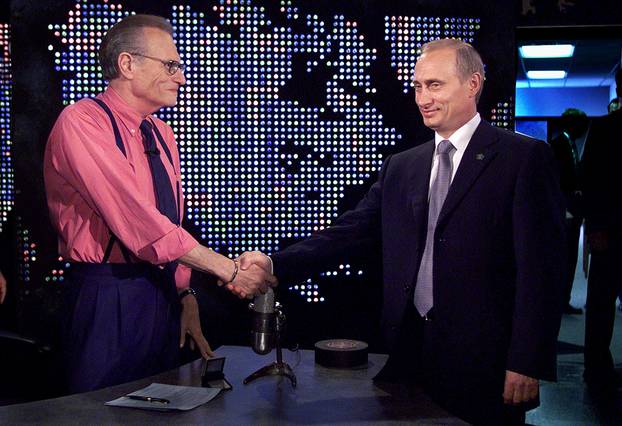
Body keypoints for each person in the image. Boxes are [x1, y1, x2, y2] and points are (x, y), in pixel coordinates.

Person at [237, 39, 566, 425]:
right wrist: (275, 263)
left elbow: (542, 272)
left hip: (486, 362)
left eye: (435, 85)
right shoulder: (402, 166)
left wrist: (526, 360)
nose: (423, 98)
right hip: (409, 356)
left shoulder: (522, 158)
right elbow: (349, 232)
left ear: (473, 84)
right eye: (417, 87)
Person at [44, 14, 276, 393]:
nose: (181, 78)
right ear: (127, 64)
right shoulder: (81, 121)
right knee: (100, 410)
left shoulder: (161, 132)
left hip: (161, 291)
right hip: (109, 294)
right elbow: (136, 221)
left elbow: (170, 218)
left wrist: (184, 293)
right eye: (170, 65)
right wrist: (227, 269)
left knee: (160, 405)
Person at [582, 67, 622, 392]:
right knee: (601, 301)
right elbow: (592, 180)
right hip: (610, 228)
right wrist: (596, 226)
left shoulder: (605, 128)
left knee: (601, 301)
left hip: (609, 228)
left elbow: (590, 179)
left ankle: (596, 366)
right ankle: (596, 366)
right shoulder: (606, 129)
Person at [549, 108, 589, 314]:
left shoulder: (567, 144)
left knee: (569, 256)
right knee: (565, 256)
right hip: (565, 210)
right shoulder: (558, 146)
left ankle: (564, 298)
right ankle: (560, 298)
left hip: (570, 208)